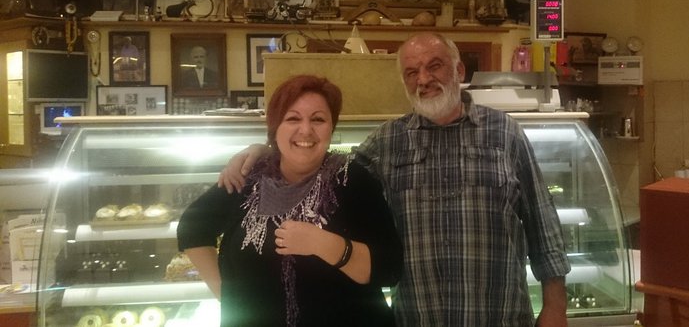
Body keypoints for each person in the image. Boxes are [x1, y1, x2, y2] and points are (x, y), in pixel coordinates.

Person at [219, 33, 570, 327]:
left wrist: (555, 307)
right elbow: (320, 168)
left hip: (499, 316)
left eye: (434, 66)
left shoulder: (505, 133)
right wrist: (267, 151)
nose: (423, 79)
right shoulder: (388, 141)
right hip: (416, 319)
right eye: (411, 72)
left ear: (459, 70)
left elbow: (542, 222)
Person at [178, 75, 403, 327]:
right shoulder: (248, 175)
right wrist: (230, 297)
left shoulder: (353, 178)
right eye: (293, 119)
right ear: (275, 127)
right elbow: (192, 228)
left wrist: (324, 244)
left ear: (331, 127)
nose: (305, 130)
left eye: (318, 119)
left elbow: (389, 268)